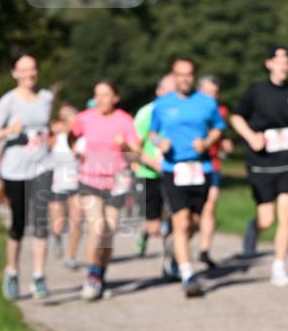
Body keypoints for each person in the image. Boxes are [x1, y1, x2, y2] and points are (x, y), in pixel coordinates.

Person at [150, 56, 226, 297]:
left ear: (193, 76)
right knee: (180, 221)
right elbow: (152, 133)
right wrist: (159, 142)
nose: (184, 79)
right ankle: (188, 275)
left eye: (188, 74)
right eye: (179, 74)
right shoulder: (162, 104)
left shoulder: (206, 102)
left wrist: (207, 141)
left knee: (193, 223)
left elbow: (218, 127)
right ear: (173, 76)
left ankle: (174, 251)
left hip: (200, 169)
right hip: (174, 169)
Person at [231, 46, 288, 286]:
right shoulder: (256, 91)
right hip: (261, 163)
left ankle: (279, 265)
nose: (284, 66)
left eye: (287, 61)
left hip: (287, 162)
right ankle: (254, 230)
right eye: (279, 61)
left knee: (286, 213)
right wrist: (251, 137)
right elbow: (236, 117)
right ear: (269, 64)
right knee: (267, 220)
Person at [70, 80, 141, 301]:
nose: (101, 99)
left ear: (116, 98)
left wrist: (125, 145)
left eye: (106, 95)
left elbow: (137, 150)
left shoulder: (124, 120)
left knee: (108, 233)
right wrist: (74, 147)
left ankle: (100, 275)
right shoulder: (85, 117)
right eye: (98, 95)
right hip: (90, 179)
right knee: (97, 229)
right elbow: (72, 135)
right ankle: (91, 276)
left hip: (117, 181)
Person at [0, 53, 54, 299]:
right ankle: (12, 271)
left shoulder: (47, 98)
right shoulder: (8, 102)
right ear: (14, 73)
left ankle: (39, 276)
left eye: (33, 69)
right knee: (18, 223)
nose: (29, 74)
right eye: (23, 70)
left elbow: (47, 129)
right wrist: (11, 130)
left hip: (41, 166)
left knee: (41, 222)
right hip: (15, 169)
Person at [133, 74, 175, 257]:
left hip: (175, 171)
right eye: (169, 90)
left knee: (178, 218)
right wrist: (152, 162)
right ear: (159, 91)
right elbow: (134, 145)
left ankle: (172, 258)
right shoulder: (146, 112)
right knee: (154, 224)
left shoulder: (181, 110)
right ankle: (145, 233)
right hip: (149, 173)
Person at [197, 75, 233, 268]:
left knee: (210, 206)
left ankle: (204, 250)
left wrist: (225, 143)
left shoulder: (220, 111)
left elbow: (221, 133)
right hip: (190, 167)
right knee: (190, 215)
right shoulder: (189, 109)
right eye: (206, 92)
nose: (210, 97)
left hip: (212, 165)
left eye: (214, 93)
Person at [48, 103, 82, 268]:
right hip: (57, 185)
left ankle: (71, 256)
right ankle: (57, 237)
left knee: (76, 222)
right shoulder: (55, 139)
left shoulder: (81, 138)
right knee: (58, 224)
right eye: (65, 118)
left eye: (70, 117)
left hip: (77, 185)